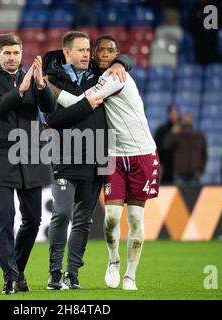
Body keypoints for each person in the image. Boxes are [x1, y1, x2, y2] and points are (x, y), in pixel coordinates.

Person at [56, 34, 160, 290]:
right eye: (100, 50)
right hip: (113, 154)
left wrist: (49, 87)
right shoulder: (102, 75)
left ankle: (131, 275)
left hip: (142, 154)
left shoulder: (116, 76)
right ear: (94, 54)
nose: (105, 54)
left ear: (116, 53)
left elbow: (80, 102)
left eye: (111, 51)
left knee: (136, 220)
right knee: (112, 217)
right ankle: (113, 260)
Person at [43, 31, 133, 290]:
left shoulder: (101, 75)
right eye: (80, 50)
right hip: (65, 157)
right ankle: (54, 273)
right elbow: (52, 120)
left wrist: (120, 63)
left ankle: (72, 274)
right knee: (61, 214)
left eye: (87, 50)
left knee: (84, 220)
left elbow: (126, 58)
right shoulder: (51, 80)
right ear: (67, 53)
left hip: (97, 157)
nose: (86, 54)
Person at [0, 33, 57, 295]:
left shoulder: (34, 78)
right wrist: (20, 90)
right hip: (0, 156)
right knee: (4, 218)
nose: (12, 58)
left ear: (22, 53)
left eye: (16, 53)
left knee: (33, 220)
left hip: (31, 155)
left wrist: (41, 86)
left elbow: (51, 108)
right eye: (7, 53)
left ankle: (17, 270)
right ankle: (10, 277)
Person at [163, 112, 207, 185]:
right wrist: (172, 133)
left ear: (192, 121)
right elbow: (166, 146)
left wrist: (200, 170)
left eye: (189, 120)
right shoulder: (177, 135)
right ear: (182, 121)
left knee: (194, 196)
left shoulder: (199, 137)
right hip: (179, 174)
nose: (187, 122)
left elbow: (204, 155)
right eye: (185, 120)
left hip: (194, 175)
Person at [154, 105, 180, 184]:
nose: (173, 115)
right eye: (171, 113)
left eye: (175, 113)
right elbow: (157, 148)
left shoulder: (182, 129)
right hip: (165, 166)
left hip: (178, 168)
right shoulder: (162, 130)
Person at [187, 0, 218, 65]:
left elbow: (214, 28)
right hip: (197, 44)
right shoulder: (194, 8)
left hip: (210, 44)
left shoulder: (212, 8)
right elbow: (190, 25)